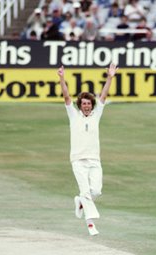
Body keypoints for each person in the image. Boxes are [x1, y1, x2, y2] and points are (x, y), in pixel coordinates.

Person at [57, 63, 118, 236]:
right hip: (78, 160)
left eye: (88, 103)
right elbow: (66, 96)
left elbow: (104, 96)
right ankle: (91, 224)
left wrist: (110, 77)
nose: (86, 106)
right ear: (80, 105)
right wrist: (62, 78)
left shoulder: (96, 114)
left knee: (96, 191)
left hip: (94, 160)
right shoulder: (73, 115)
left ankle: (80, 202)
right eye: (83, 103)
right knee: (85, 191)